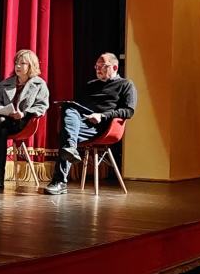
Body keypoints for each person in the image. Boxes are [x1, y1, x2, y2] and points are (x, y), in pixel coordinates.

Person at [43, 52, 137, 195]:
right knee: (69, 108)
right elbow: (77, 108)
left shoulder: (126, 85)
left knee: (67, 135)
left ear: (115, 67)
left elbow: (128, 111)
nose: (98, 69)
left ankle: (60, 181)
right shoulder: (90, 85)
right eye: (96, 66)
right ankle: (69, 150)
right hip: (82, 123)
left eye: (102, 66)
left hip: (103, 127)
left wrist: (102, 115)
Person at [0, 49, 49, 188]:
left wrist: (24, 114)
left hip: (23, 123)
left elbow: (42, 106)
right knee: (2, 129)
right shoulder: (6, 83)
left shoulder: (39, 84)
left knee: (1, 125)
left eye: (22, 63)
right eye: (16, 63)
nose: (18, 66)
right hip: (4, 121)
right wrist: (2, 110)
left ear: (31, 65)